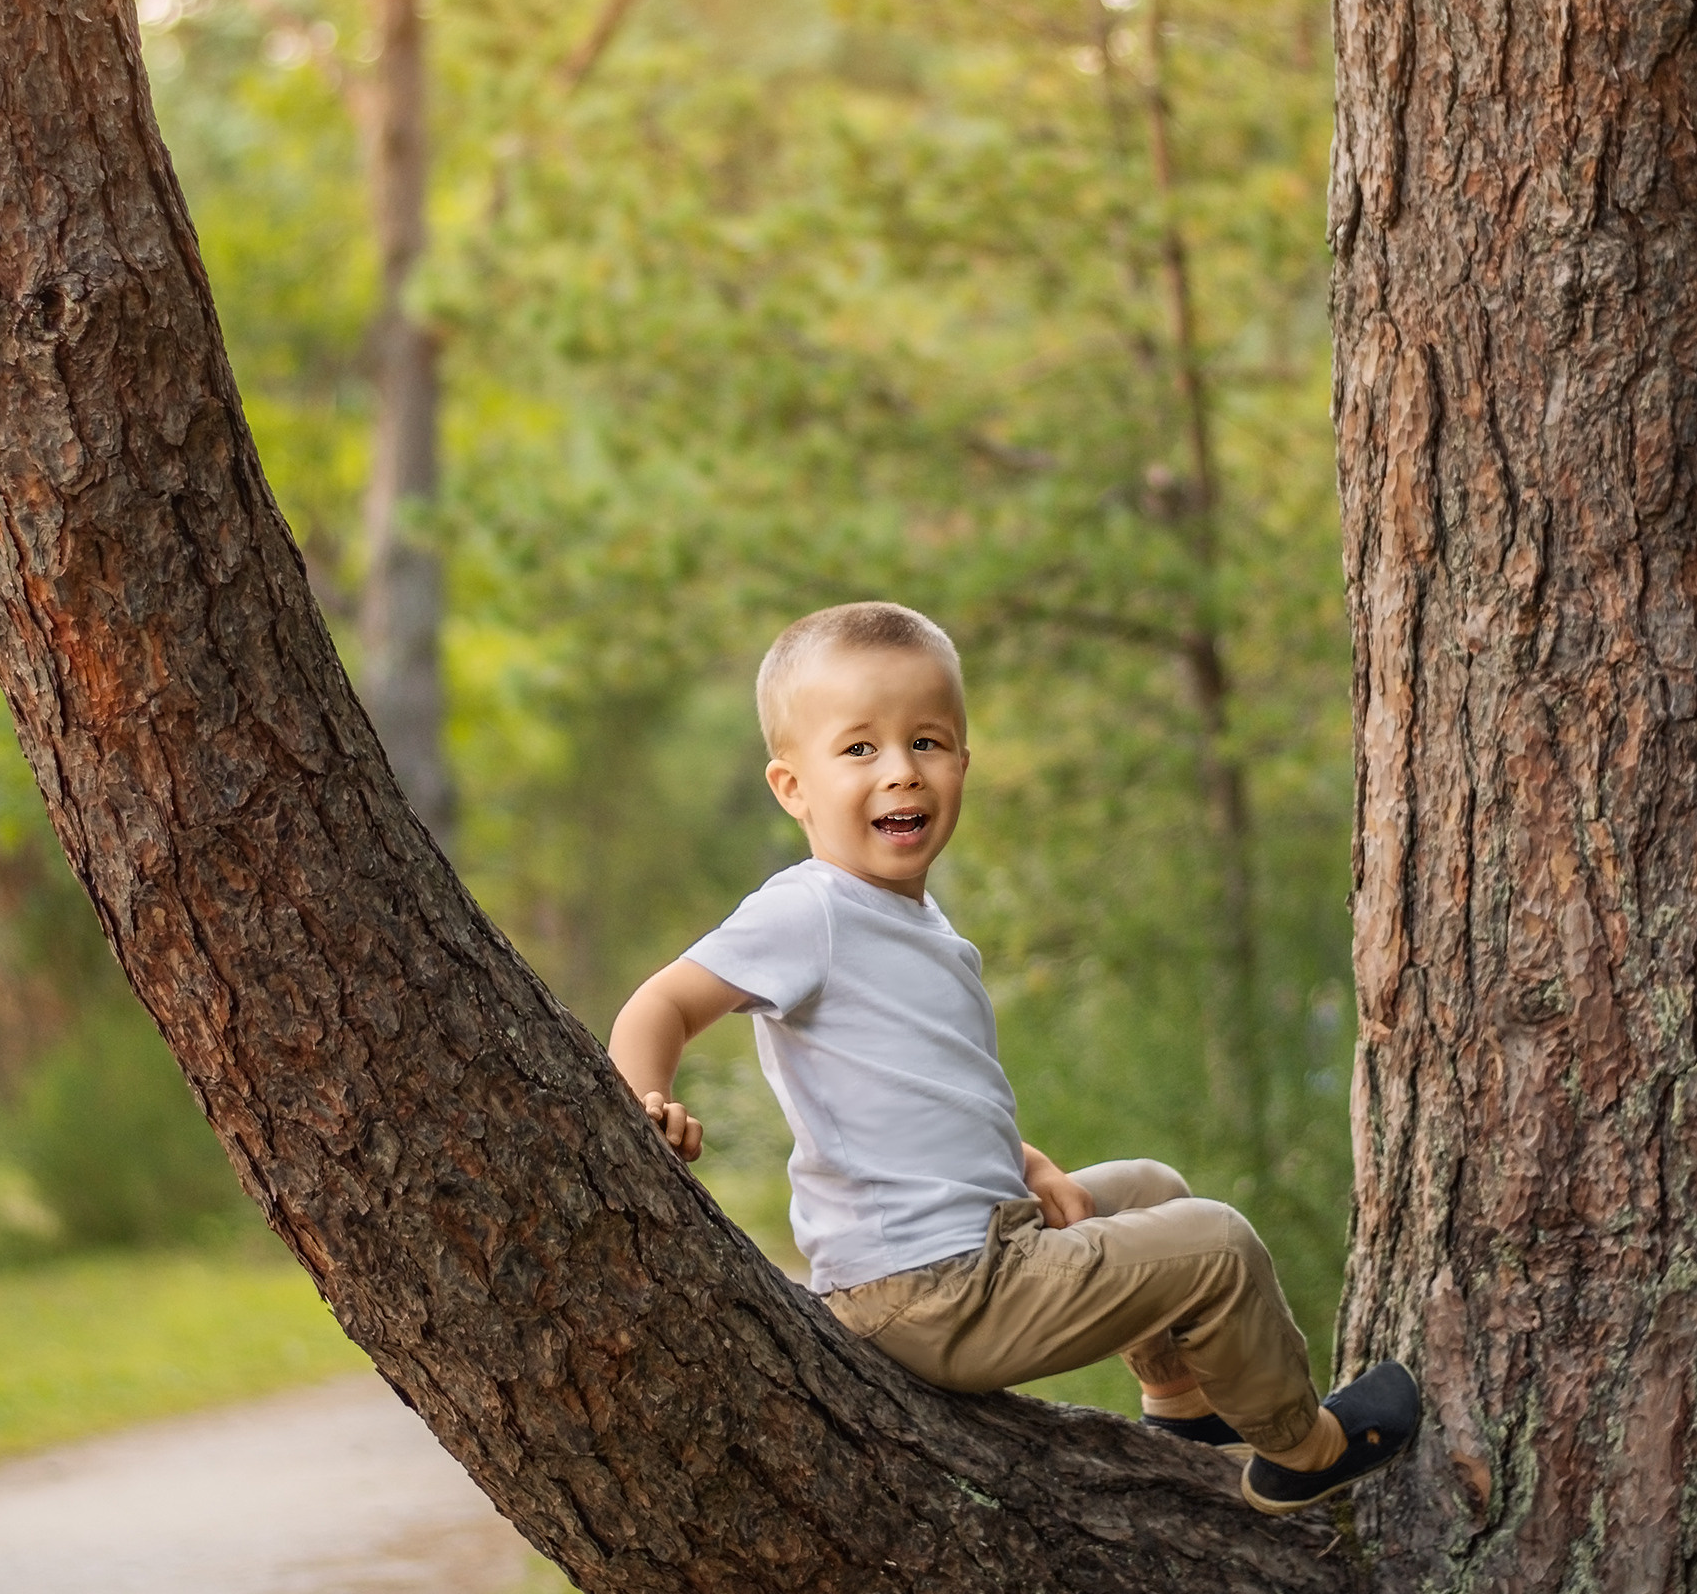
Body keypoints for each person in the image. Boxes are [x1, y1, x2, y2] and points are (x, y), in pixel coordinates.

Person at [608, 599, 1419, 1514]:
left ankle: (1184, 1411)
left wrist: (1022, 1165)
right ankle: (1302, 1450)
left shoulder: (911, 918)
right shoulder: (810, 911)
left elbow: (930, 1093)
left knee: (1153, 1189)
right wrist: (644, 1098)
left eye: (927, 742)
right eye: (860, 748)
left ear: (962, 762)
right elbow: (662, 1003)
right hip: (925, 1293)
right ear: (792, 787)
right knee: (1218, 1245)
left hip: (975, 1247)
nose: (901, 771)